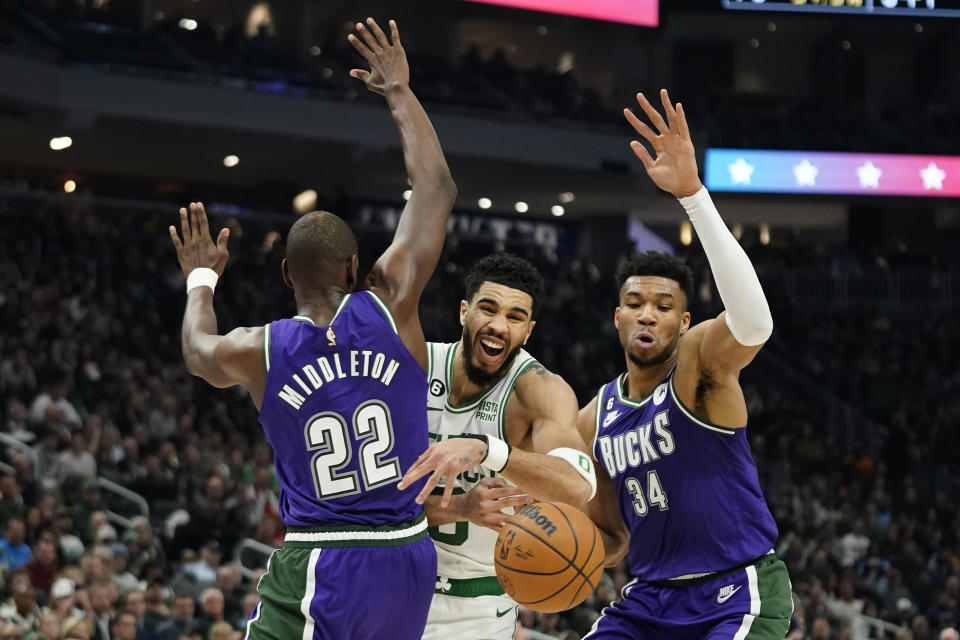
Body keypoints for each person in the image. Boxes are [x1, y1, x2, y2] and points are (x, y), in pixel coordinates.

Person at [167, 17, 456, 640]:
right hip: (408, 556)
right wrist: (399, 93)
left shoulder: (259, 349)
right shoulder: (390, 303)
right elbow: (435, 187)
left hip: (325, 559)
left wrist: (201, 280)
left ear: (284, 276)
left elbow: (195, 351)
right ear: (355, 268)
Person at [577, 90, 792, 639]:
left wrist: (694, 196)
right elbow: (611, 536)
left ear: (684, 321)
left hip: (734, 590)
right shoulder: (592, 418)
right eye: (635, 304)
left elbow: (754, 325)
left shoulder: (699, 367)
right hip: (648, 600)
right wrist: (558, 546)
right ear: (616, 317)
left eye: (664, 307)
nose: (648, 315)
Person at [398, 253, 596, 639]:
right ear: (463, 311)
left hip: (476, 612)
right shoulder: (414, 368)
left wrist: (489, 449)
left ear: (528, 331)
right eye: (487, 309)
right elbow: (366, 503)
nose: (498, 326)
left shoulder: (539, 390)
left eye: (515, 317)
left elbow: (576, 488)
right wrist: (460, 508)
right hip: (389, 584)